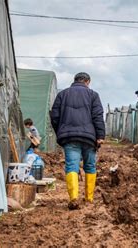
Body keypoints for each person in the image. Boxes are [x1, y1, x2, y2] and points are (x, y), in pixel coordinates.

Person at [50, 72, 105, 210]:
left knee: (72, 166)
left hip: (69, 138)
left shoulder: (62, 94)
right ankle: (89, 198)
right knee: (90, 166)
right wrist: (100, 136)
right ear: (88, 81)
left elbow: (54, 116)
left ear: (74, 81)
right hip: (89, 138)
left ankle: (74, 198)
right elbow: (98, 116)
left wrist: (61, 131)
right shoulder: (93, 95)